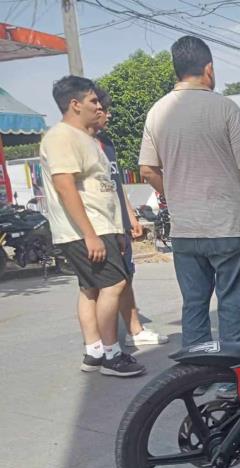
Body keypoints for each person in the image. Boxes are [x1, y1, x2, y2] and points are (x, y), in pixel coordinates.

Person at [139, 36, 240, 348]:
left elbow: (147, 170)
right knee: (235, 304)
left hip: (185, 231)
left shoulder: (157, 112)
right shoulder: (225, 108)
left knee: (195, 304)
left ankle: (197, 375)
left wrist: (175, 197)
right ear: (209, 69)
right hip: (228, 227)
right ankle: (231, 379)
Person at [40, 76, 145, 377]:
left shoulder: (86, 138)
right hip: (87, 230)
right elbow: (65, 186)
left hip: (102, 227)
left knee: (90, 289)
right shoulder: (61, 137)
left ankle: (95, 352)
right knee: (114, 285)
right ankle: (112, 355)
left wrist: (118, 231)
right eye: (93, 101)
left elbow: (104, 189)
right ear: (74, 104)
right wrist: (90, 235)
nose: (99, 106)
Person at [93, 88, 168, 347]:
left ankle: (134, 330)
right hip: (100, 226)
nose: (109, 114)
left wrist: (131, 215)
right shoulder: (82, 146)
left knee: (126, 276)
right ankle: (101, 344)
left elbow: (115, 184)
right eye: (103, 108)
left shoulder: (107, 144)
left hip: (119, 223)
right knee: (104, 285)